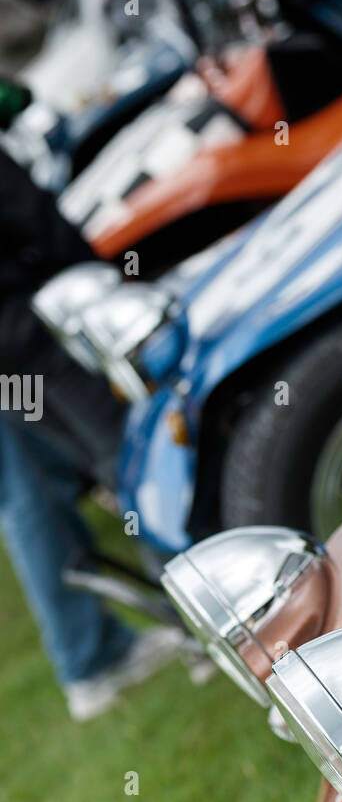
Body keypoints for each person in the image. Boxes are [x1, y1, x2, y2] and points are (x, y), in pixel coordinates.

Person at [0, 142, 180, 720]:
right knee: (129, 454)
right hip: (31, 327)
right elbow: (29, 213)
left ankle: (99, 652)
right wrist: (87, 276)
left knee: (49, 485)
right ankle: (192, 616)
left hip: (14, 344)